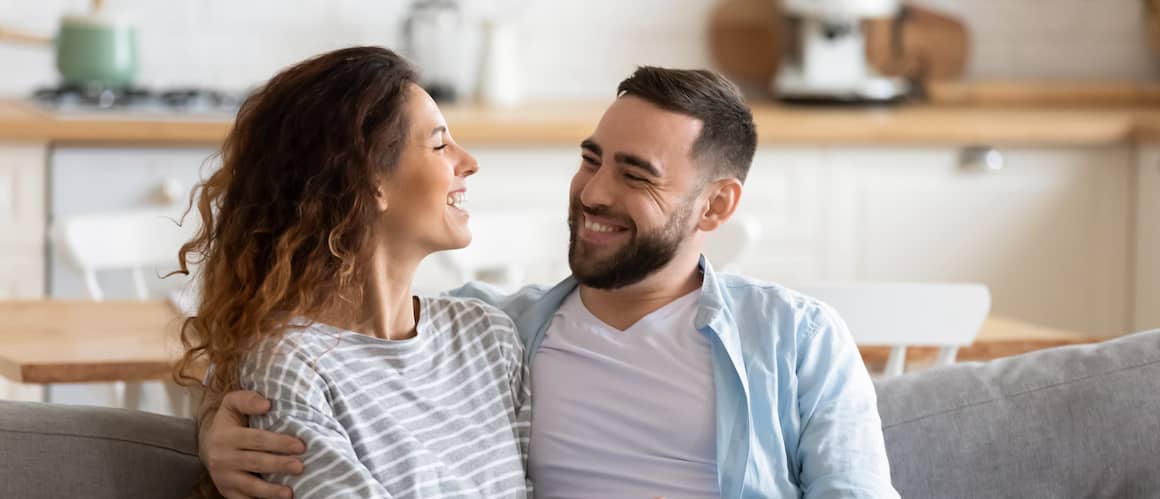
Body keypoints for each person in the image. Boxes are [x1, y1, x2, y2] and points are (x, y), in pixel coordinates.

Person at [199, 65, 900, 498]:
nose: (593, 192)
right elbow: (328, 355)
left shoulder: (796, 339)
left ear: (715, 205)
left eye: (634, 174)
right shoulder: (501, 332)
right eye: (591, 159)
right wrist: (209, 431)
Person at [175, 46, 531, 498]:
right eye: (440, 144)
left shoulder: (490, 338)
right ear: (369, 181)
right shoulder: (293, 369)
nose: (470, 162)